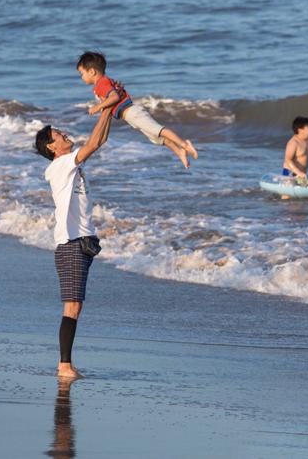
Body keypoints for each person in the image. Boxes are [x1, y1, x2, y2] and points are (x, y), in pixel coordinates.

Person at [34, 107, 113, 380]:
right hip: (70, 244)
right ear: (52, 147)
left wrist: (111, 112)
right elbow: (92, 144)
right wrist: (106, 107)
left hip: (82, 243)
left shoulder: (70, 165)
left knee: (75, 305)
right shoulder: (59, 166)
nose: (65, 134)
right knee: (71, 306)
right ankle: (64, 365)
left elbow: (99, 141)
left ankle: (65, 364)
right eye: (59, 134)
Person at [77, 51, 198, 169]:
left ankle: (184, 144)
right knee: (158, 138)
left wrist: (98, 106)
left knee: (160, 130)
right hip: (131, 116)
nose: (81, 77)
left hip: (133, 113)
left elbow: (115, 97)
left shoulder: (101, 84)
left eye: (82, 73)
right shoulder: (105, 82)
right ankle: (180, 151)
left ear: (92, 71)